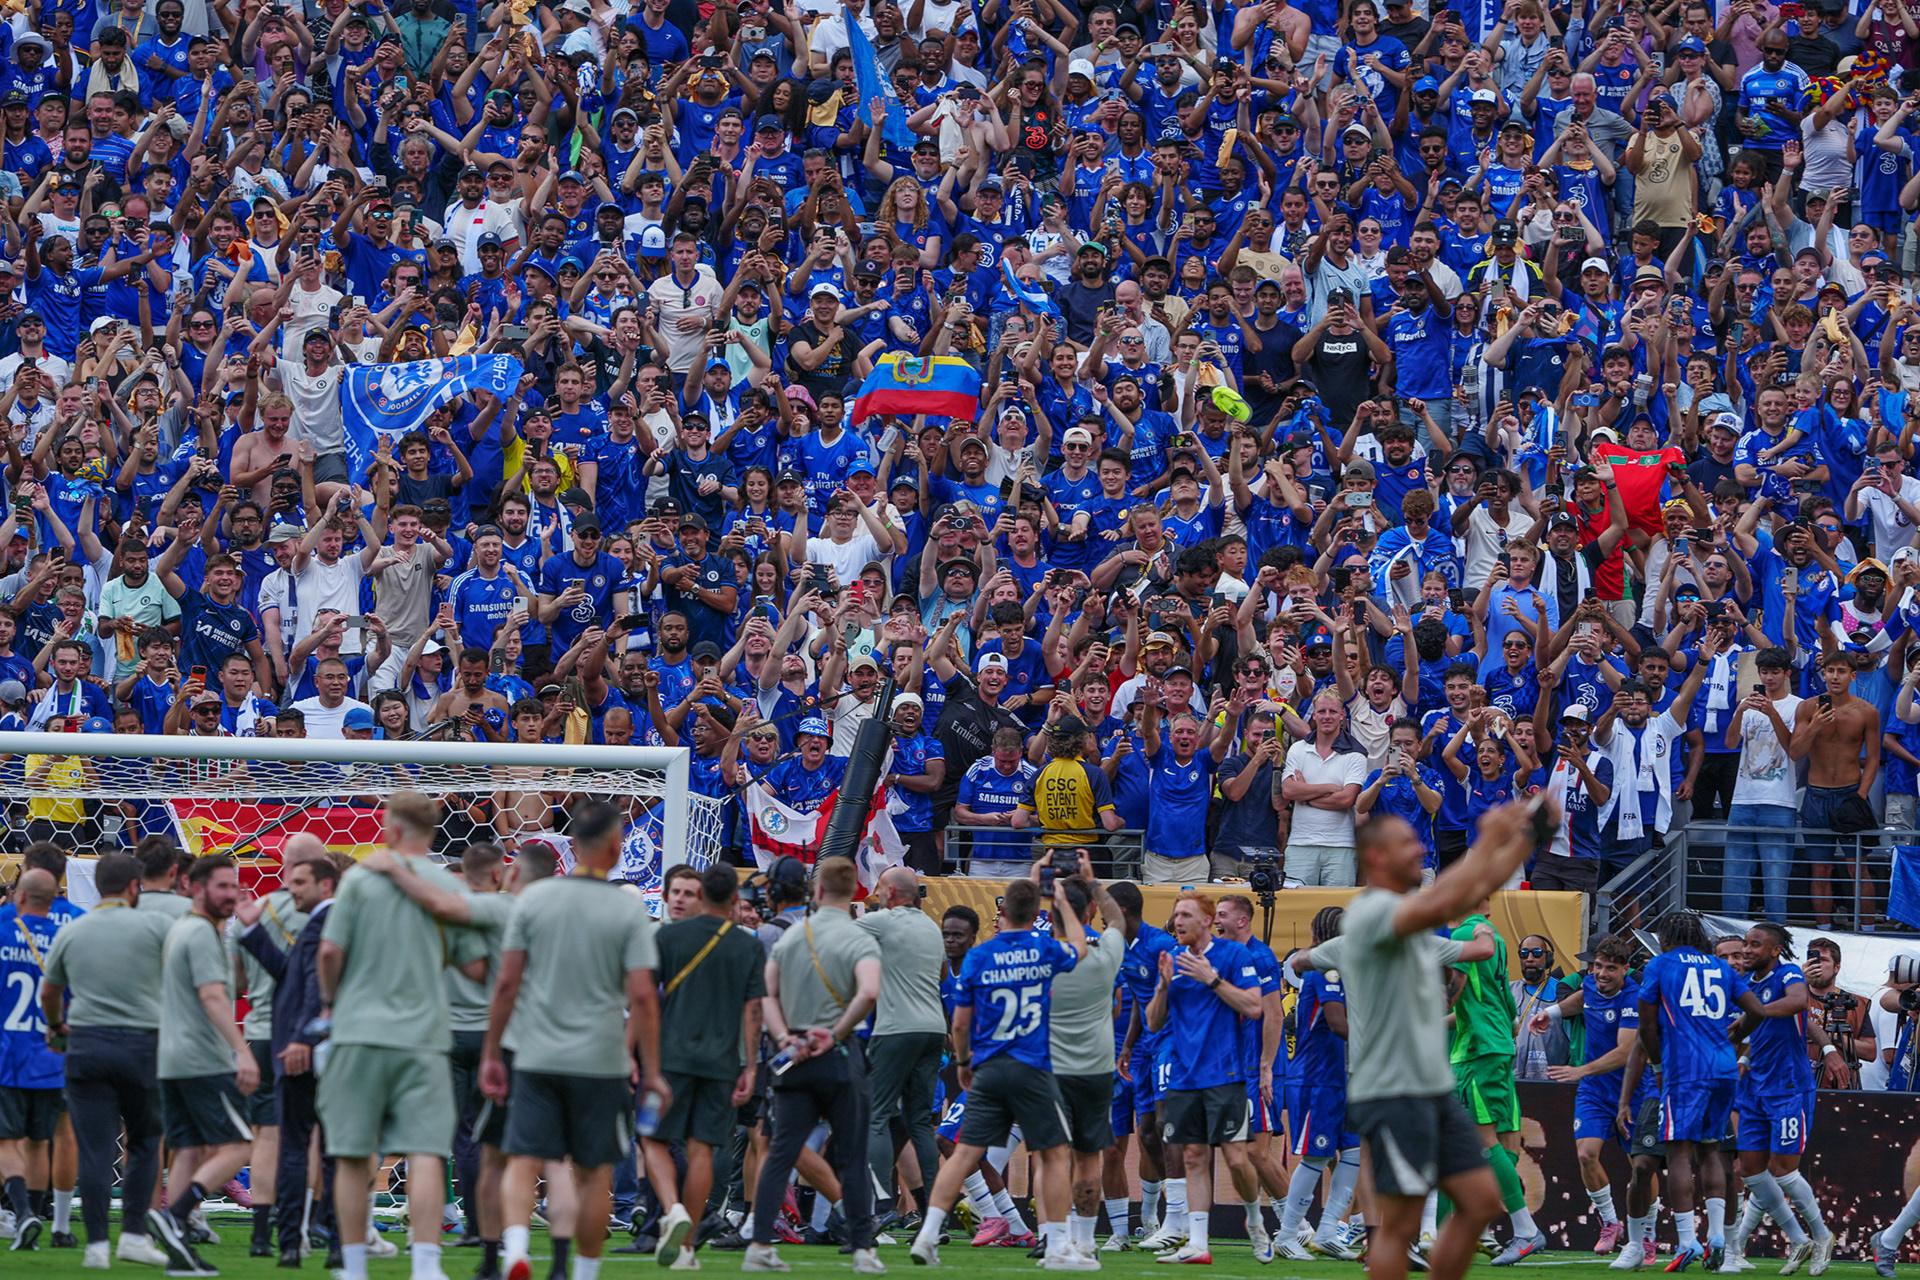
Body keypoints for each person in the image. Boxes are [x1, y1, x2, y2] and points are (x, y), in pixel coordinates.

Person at [1285, 797, 1541, 1280]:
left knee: (1480, 1201)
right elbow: (1452, 897)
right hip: (1392, 1089)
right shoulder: (1370, 913)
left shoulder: (1412, 925)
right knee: (1398, 1229)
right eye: (1407, 843)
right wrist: (1494, 840)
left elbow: (1470, 896)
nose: (1421, 850)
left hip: (1428, 1086)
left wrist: (1522, 836)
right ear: (1376, 857)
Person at [482, 800, 664, 1280]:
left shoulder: (535, 900)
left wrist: (491, 1053)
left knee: (525, 1159)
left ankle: (517, 1247)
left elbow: (506, 983)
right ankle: (582, 1271)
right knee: (592, 1171)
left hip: (536, 1053)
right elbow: (643, 997)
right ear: (614, 845)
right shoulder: (627, 910)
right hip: (600, 1060)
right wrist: (653, 1070)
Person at [316, 793, 490, 1280]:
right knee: (427, 1151)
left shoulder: (362, 881)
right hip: (425, 1035)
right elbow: (477, 966)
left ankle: (353, 1266)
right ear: (434, 830)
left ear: (391, 827)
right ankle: (427, 1265)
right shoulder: (445, 884)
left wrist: (332, 1002)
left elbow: (329, 953)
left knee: (354, 1153)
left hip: (359, 1032)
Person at [907, 870, 1087, 1270]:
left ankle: (928, 1231)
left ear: (1001, 913)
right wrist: (1059, 899)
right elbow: (1080, 947)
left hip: (987, 1068)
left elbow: (958, 1023)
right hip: (1033, 1067)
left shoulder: (979, 956)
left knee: (962, 1152)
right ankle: (1056, 1245)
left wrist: (966, 1063)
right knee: (1053, 1156)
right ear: (1036, 912)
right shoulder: (1044, 948)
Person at [36, 853, 174, 1269]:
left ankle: (96, 1245)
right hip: (141, 1047)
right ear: (135, 887)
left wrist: (58, 1025)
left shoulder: (74, 931)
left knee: (95, 1150)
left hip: (86, 1046)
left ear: (98, 886)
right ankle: (133, 1234)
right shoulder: (156, 927)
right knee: (146, 1142)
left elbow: (49, 992)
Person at [750, 858, 885, 1274]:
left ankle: (759, 1245)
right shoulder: (860, 937)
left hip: (796, 1055)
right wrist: (839, 1031)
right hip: (841, 1056)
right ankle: (863, 1248)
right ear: (854, 892)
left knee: (780, 1152)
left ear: (817, 891)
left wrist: (783, 1036)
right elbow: (869, 991)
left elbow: (766, 993)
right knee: (853, 1153)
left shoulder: (792, 937)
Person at [1632, 910, 1771, 1273]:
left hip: (1685, 1070)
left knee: (1678, 1154)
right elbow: (1757, 1009)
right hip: (1724, 1068)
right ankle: (1720, 1238)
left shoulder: (1660, 964)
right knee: (1712, 1151)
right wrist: (1735, 1035)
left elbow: (1647, 1027)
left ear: (1666, 937)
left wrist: (1659, 1066)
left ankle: (1686, 1241)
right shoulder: (1721, 967)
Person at [144, 855, 261, 1277]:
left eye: (234, 886)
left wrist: (248, 933)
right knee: (238, 1145)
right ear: (194, 887)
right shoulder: (198, 933)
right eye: (222, 887)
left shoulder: (192, 932)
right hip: (201, 1058)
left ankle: (180, 1251)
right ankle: (175, 1215)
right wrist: (241, 1050)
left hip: (173, 1058)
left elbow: (233, 984)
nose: (231, 894)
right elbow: (214, 996)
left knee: (189, 1151)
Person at [232, 839, 343, 1269]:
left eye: (298, 880)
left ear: (323, 880)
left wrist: (301, 1037)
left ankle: (312, 1236)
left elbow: (315, 991)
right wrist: (252, 932)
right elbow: (291, 977)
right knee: (313, 1146)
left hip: (301, 1045)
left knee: (298, 1144)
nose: (289, 887)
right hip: (294, 1044)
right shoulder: (315, 920)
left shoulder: (328, 922)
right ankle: (305, 1237)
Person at [646, 864, 763, 1270]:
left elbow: (646, 997)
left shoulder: (668, 935)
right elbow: (753, 1011)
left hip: (670, 1057)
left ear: (700, 895)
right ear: (734, 900)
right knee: (702, 1150)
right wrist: (750, 1066)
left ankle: (671, 1208)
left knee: (653, 1139)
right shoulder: (748, 946)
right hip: (722, 1061)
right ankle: (688, 1247)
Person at [1526, 934, 1648, 1261]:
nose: (1602, 973)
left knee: (1641, 1168)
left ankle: (1646, 1234)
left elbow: (1626, 1051)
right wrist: (1549, 1013)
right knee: (1585, 1155)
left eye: (1610, 968)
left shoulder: (1634, 998)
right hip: (1595, 1090)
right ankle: (1610, 1222)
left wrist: (1580, 1071)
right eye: (1597, 966)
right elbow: (1580, 1001)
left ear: (1625, 969)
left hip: (1633, 1089)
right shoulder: (1592, 985)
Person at [1041, 851, 1130, 1264]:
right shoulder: (1105, 955)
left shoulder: (1040, 953)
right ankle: (1086, 1241)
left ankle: (1054, 1240)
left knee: (1052, 1157)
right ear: (1090, 909)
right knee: (1087, 1156)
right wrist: (1093, 881)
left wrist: (1045, 885)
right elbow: (1117, 923)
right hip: (1095, 1070)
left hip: (1050, 1070)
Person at [1727, 923, 1831, 1274]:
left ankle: (1821, 1236)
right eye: (1746, 943)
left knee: (1784, 1172)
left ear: (1774, 950)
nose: (1748, 950)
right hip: (1753, 1089)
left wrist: (1755, 1013)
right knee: (1751, 1172)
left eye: (1756, 945)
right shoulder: (1746, 986)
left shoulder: (1787, 974)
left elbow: (1800, 1002)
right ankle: (1799, 1239)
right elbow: (1749, 1034)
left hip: (1788, 1087)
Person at [854, 866, 947, 1225]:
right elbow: (940, 974)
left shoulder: (883, 921)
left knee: (876, 1117)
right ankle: (933, 1215)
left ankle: (878, 1208)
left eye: (878, 889)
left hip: (896, 1029)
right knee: (920, 1123)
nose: (875, 895)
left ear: (891, 894)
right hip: (932, 1030)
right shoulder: (931, 927)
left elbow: (836, 934)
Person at [1272, 906, 1362, 1263]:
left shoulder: (1339, 968)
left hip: (1339, 1077)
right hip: (1316, 1078)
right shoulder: (1324, 967)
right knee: (1318, 1155)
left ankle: (1326, 1232)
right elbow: (1338, 1024)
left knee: (1352, 1154)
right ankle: (1287, 1234)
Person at [0, 868, 68, 1251]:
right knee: (41, 1142)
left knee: (7, 1140)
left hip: (7, 1052)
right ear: (54, 898)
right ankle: (38, 1215)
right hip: (51, 1053)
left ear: (19, 898)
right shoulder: (66, 940)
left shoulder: (2, 933)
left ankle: (23, 1211)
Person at [1789, 651, 1882, 930]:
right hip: (1816, 795)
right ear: (1824, 674)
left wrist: (1861, 796)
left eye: (1841, 671)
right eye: (1830, 671)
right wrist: (1815, 726)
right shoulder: (1807, 708)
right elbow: (1795, 753)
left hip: (1850, 793)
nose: (1834, 677)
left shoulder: (1867, 711)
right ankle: (1824, 930)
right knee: (1820, 869)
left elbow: (1874, 759)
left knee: (1858, 868)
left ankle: (1868, 931)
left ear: (1852, 676)